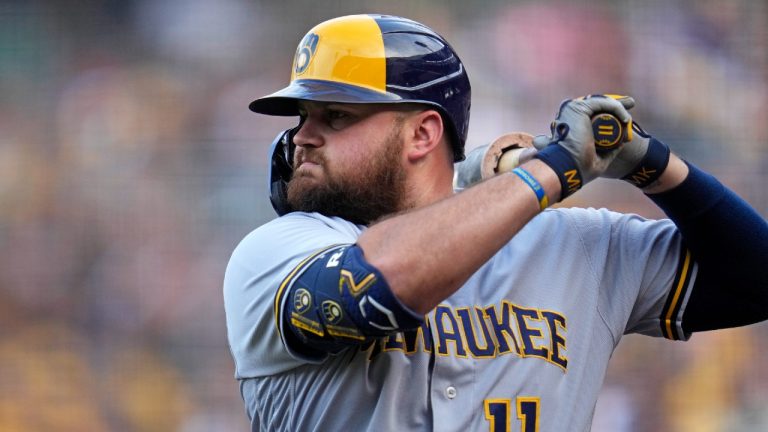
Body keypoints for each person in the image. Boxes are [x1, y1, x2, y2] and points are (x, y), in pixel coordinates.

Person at [223, 14, 768, 431]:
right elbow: (384, 284)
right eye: (303, 117)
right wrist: (557, 169)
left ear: (423, 135)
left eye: (335, 116)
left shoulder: (573, 245)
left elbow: (756, 280)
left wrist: (657, 166)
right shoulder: (276, 251)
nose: (302, 136)